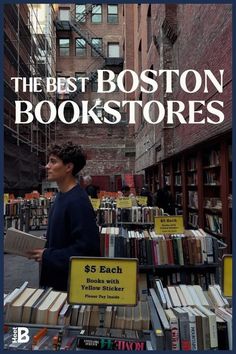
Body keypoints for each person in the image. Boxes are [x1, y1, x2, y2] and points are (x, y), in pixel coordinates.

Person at [27, 142, 100, 291]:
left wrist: (48, 255)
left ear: (68, 167)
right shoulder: (61, 195)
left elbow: (87, 250)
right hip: (55, 282)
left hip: (68, 288)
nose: (47, 166)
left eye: (53, 161)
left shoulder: (78, 201)